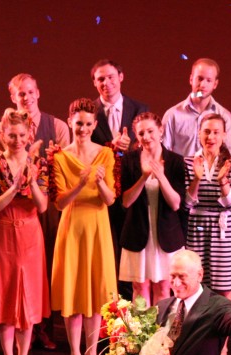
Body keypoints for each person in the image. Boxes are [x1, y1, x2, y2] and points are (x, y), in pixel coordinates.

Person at [0, 73, 70, 351]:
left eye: (30, 91)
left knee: (44, 268)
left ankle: (43, 327)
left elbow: (62, 165)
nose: (26, 97)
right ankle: (15, 326)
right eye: (20, 93)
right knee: (13, 275)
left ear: (38, 92)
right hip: (12, 211)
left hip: (44, 204)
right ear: (13, 97)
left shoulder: (57, 126)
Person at [51, 98, 118, 355]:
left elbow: (110, 199)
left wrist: (101, 182)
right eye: (79, 123)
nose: (83, 128)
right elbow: (60, 203)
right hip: (73, 227)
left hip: (97, 228)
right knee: (73, 296)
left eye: (89, 124)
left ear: (95, 125)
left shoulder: (105, 154)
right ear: (70, 122)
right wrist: (79, 183)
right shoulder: (60, 157)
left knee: (92, 300)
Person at [0, 109, 50, 355]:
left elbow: (43, 205)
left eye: (22, 135)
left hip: (31, 235)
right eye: (12, 135)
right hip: (4, 234)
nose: (17, 139)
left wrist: (32, 179)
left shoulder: (40, 163)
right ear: (2, 134)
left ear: (29, 135)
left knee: (29, 302)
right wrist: (12, 187)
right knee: (6, 300)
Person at [183, 114, 231, 355]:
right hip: (196, 228)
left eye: (216, 132)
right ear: (199, 133)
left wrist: (222, 180)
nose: (211, 137)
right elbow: (186, 202)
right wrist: (196, 178)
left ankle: (223, 349)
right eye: (206, 131)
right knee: (194, 289)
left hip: (222, 231)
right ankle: (195, 346)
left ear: (223, 135)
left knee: (223, 290)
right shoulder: (189, 162)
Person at [90, 59, 151, 298]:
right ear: (94, 83)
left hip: (132, 189)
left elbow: (150, 143)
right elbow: (85, 148)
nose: (106, 83)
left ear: (121, 77)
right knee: (106, 252)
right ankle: (106, 308)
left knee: (129, 252)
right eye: (100, 79)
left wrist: (132, 145)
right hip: (100, 190)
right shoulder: (90, 112)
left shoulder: (139, 108)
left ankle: (128, 312)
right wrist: (110, 146)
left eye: (111, 76)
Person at [119, 112, 186, 305]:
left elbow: (175, 203)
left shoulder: (175, 161)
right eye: (141, 133)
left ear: (161, 131)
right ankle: (143, 335)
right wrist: (143, 177)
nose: (146, 137)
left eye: (150, 131)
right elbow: (126, 201)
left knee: (164, 287)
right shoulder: (130, 160)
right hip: (137, 232)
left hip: (166, 234)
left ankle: (160, 333)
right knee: (140, 287)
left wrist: (161, 176)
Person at [162, 58, 231, 157]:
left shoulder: (224, 116)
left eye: (209, 80)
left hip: (216, 172)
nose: (203, 85)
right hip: (180, 172)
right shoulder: (172, 115)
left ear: (215, 84)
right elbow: (163, 152)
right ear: (191, 79)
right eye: (200, 79)